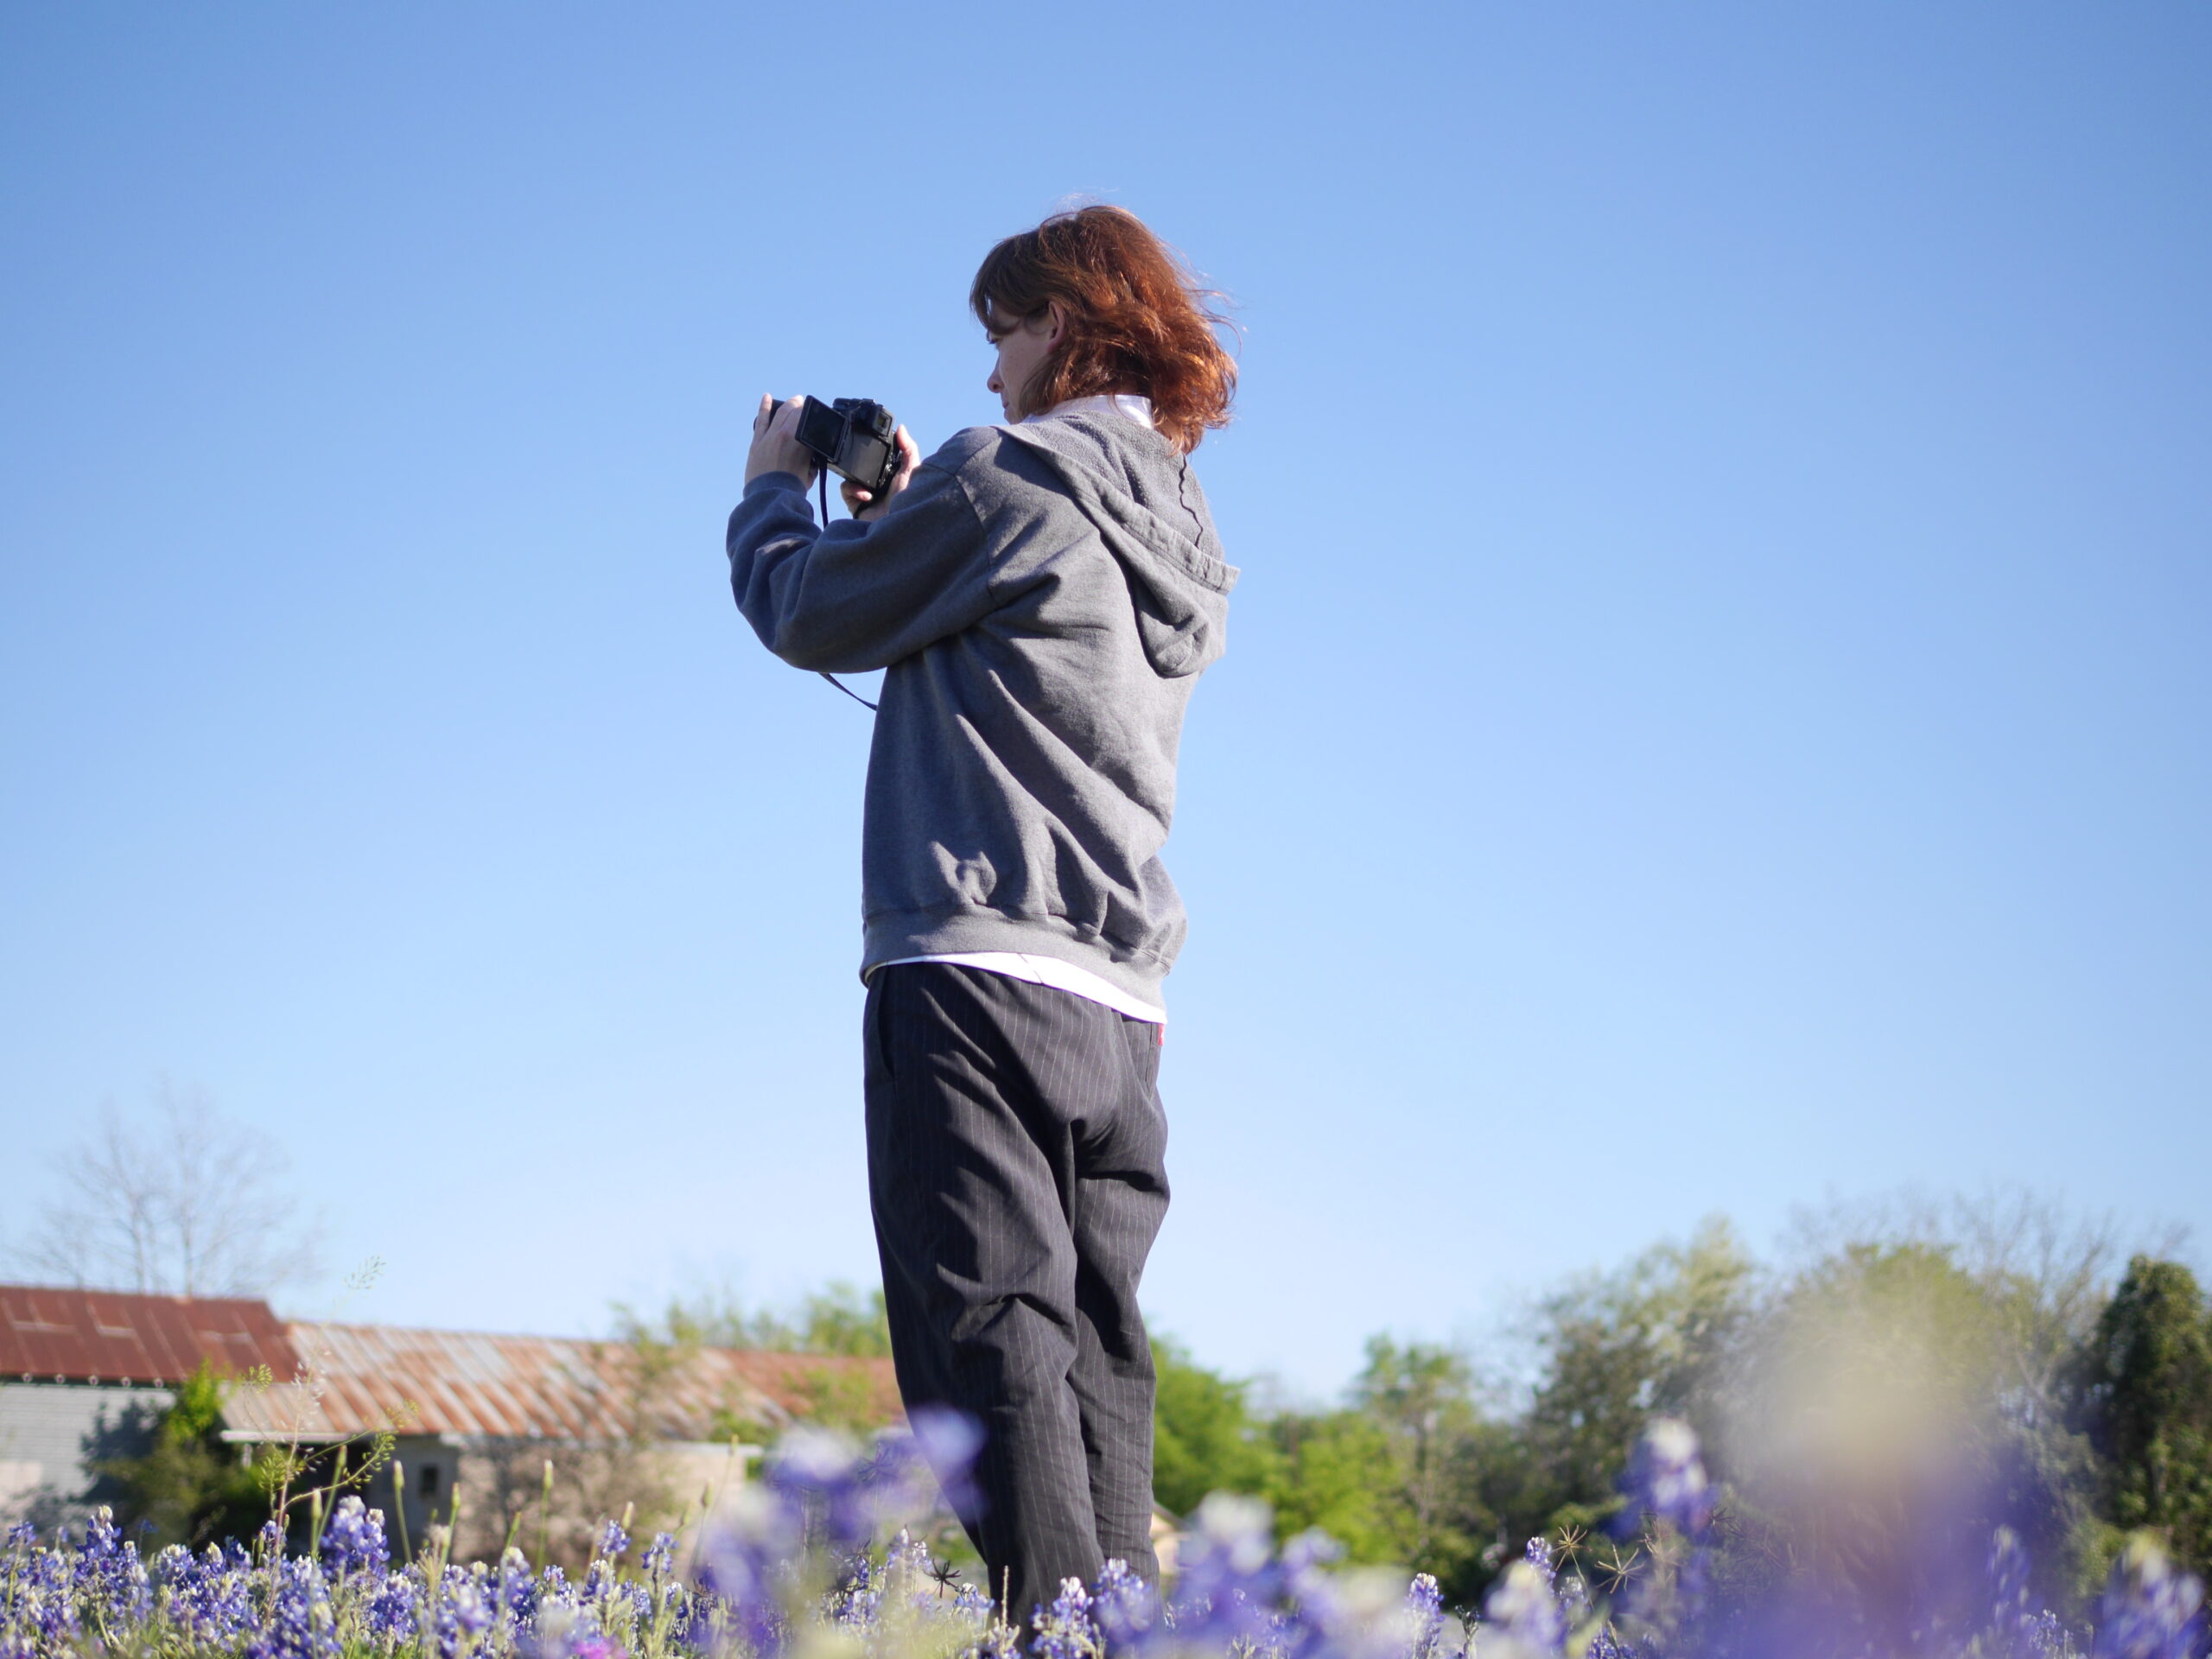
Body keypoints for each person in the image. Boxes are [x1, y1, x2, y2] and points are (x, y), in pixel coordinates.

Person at [724, 205, 1237, 1619]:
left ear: (1062, 325)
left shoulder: (1009, 473)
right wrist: (917, 521)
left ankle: (1055, 1643)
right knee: (1092, 1359)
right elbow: (1022, 632)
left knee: (986, 1337)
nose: (993, 375)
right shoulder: (1179, 522)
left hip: (973, 969)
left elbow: (809, 611)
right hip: (1122, 1005)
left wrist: (777, 491)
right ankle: (1116, 1631)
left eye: (1003, 334)